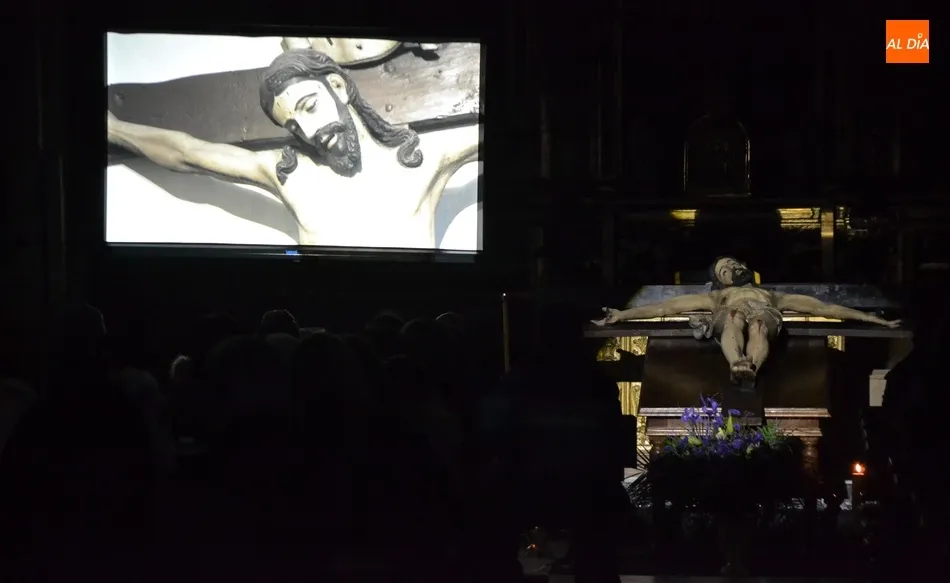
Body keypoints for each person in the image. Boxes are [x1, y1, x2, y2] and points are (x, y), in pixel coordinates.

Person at [107, 49, 479, 248]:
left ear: (336, 86)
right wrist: (115, 129)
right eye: (295, 126)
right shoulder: (294, 178)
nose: (311, 131)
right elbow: (188, 153)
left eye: (310, 106)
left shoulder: (422, 160)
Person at [593, 256, 902, 386]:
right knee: (732, 319)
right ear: (719, 281)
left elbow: (827, 307)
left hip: (764, 317)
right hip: (729, 316)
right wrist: (622, 315)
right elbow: (664, 307)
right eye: (724, 270)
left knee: (757, 325)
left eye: (734, 264)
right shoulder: (716, 298)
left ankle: (750, 367)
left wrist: (875, 321)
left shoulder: (773, 295)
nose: (732, 268)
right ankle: (736, 364)